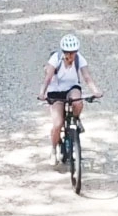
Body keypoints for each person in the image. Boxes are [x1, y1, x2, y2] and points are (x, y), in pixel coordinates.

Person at [37, 33, 103, 165]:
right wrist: (42, 93)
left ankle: (75, 119)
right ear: (63, 52)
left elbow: (87, 77)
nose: (71, 56)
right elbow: (48, 78)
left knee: (77, 101)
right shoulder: (55, 59)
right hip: (55, 91)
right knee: (57, 123)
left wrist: (95, 91)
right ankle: (54, 149)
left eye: (73, 53)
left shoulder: (80, 59)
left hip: (71, 87)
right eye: (68, 53)